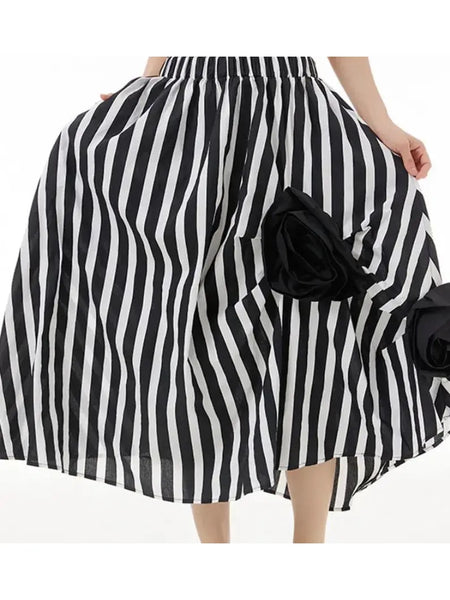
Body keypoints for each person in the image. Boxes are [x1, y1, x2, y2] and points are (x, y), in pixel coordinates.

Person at [0, 57, 448, 545]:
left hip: (292, 125)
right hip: (193, 127)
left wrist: (382, 124)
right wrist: (143, 90)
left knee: (314, 347)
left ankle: (309, 549)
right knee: (202, 351)